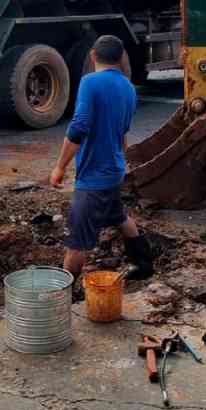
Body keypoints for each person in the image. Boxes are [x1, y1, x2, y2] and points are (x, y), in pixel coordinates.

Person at [49, 35, 153, 281]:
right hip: (113, 170)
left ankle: (65, 295)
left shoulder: (90, 82)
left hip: (94, 177)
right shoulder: (128, 87)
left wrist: (59, 167)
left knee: (77, 241)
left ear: (93, 55)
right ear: (120, 58)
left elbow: (79, 126)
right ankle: (144, 265)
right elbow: (123, 131)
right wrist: (123, 161)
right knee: (118, 216)